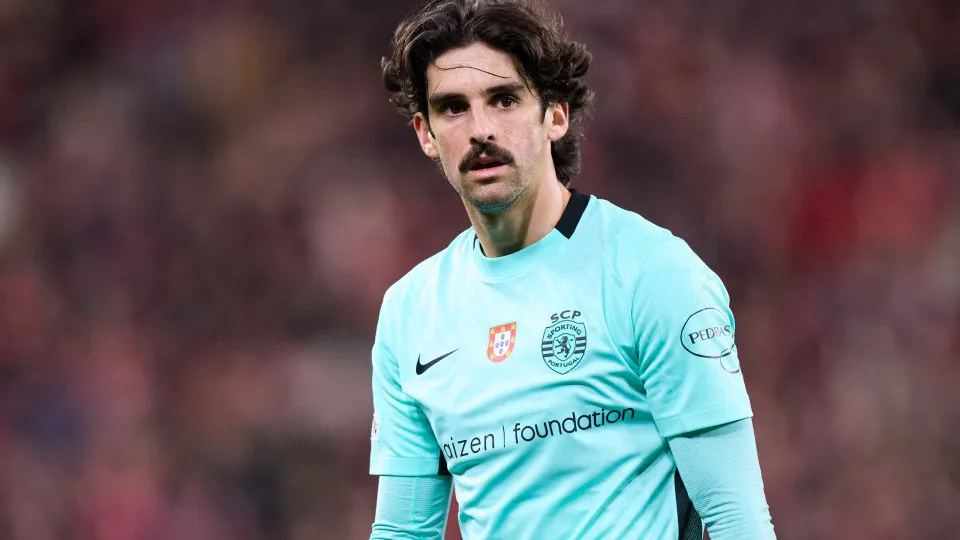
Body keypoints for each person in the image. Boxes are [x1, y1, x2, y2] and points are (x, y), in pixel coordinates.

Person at [369, 1, 776, 538]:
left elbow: (735, 517)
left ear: (555, 115)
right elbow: (402, 531)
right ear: (425, 133)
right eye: (453, 108)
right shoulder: (409, 312)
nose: (480, 129)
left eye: (505, 99)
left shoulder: (652, 272)